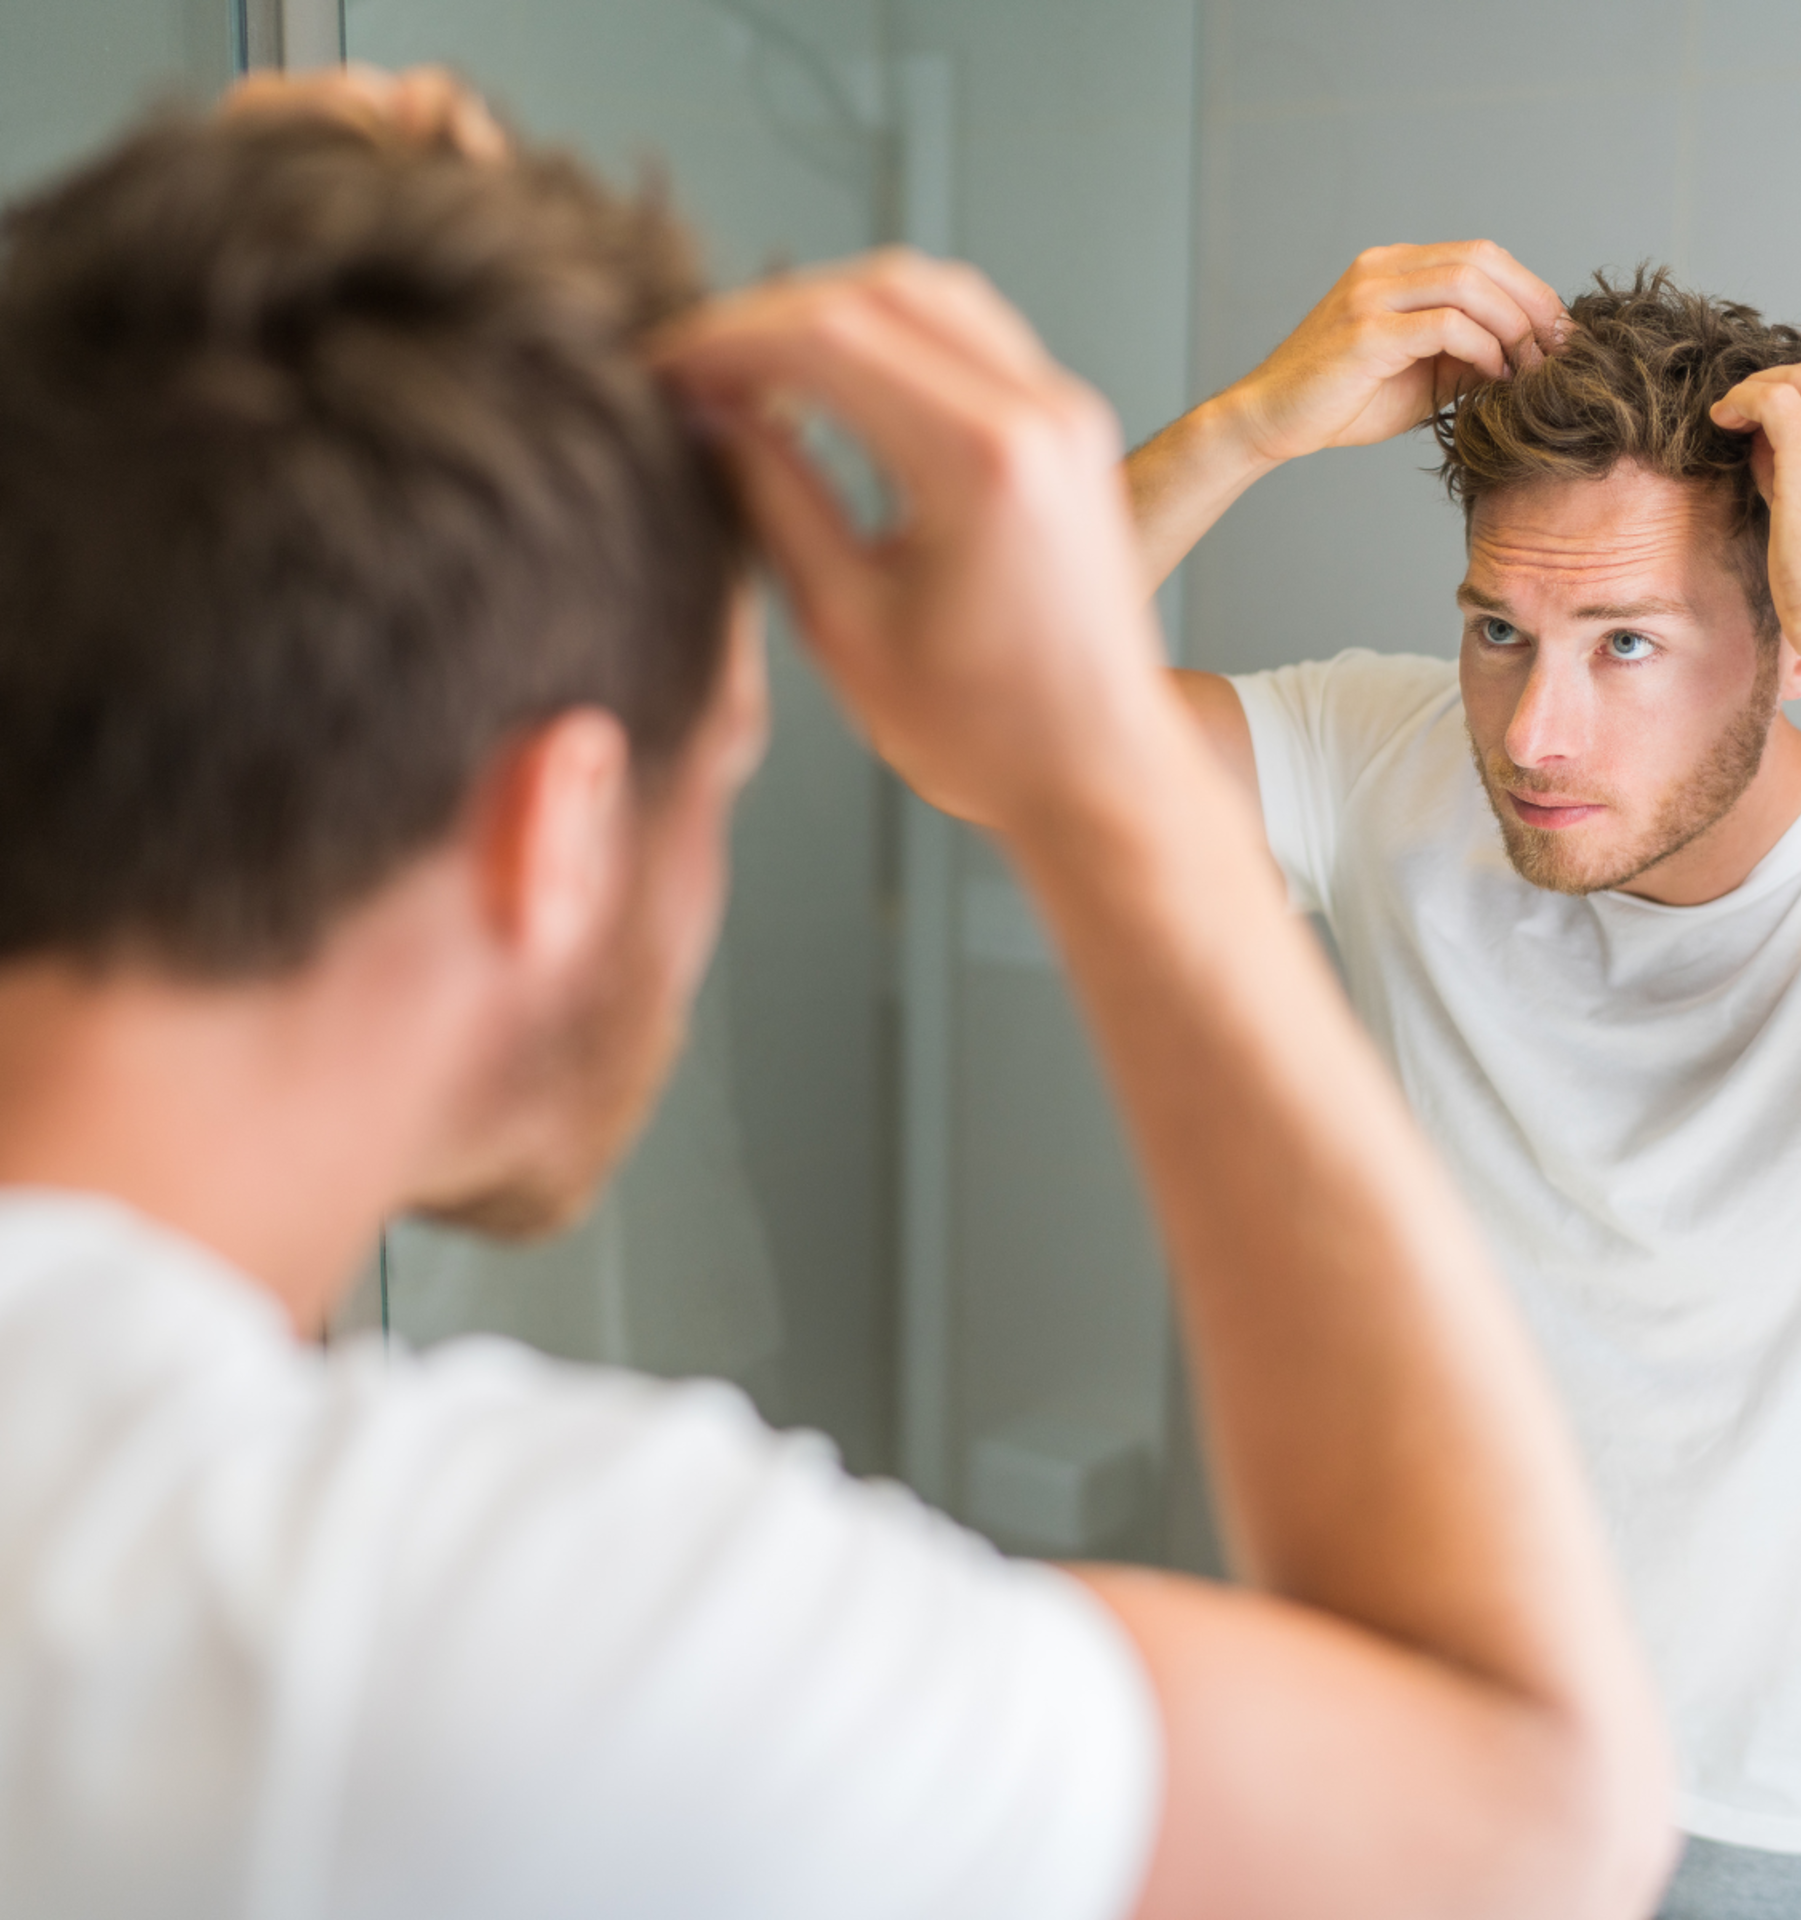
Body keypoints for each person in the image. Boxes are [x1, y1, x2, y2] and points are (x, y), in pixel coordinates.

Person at [0, 73, 1671, 1919]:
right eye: (719, 770)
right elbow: (1528, 1803)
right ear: (555, 831)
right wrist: (1090, 777)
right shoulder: (474, 1631)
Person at [1129, 241, 1801, 1918]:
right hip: (1419, 1759)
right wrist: (1243, 428)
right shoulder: (1390, 763)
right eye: (1501, 629)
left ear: (1791, 652)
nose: (1535, 734)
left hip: (1749, 1825)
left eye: (1625, 643)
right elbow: (976, 729)